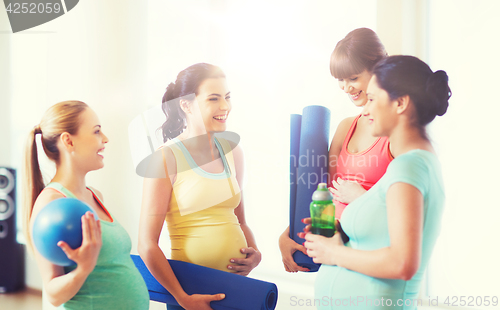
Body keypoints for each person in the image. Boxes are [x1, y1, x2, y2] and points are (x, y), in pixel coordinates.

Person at [303, 55, 450, 309]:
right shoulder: (411, 165)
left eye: (372, 99)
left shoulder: (409, 167)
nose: (366, 109)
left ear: (400, 103)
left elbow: (401, 263)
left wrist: (334, 253)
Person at [138, 63, 261, 310]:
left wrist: (254, 253)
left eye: (227, 97)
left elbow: (240, 221)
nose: (225, 107)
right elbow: (146, 243)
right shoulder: (165, 158)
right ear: (186, 104)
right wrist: (182, 298)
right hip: (190, 294)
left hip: (234, 288)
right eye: (213, 99)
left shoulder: (233, 151)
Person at [279, 28, 393, 273]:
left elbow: (405, 212)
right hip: (333, 260)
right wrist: (288, 233)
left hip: (370, 258)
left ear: (379, 68)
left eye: (353, 78)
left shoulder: (396, 133)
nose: (345, 88)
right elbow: (323, 195)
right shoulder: (345, 127)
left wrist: (362, 197)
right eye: (340, 80)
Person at [22, 101, 149, 309]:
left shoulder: (95, 196)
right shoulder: (51, 203)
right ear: (68, 141)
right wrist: (83, 269)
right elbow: (53, 294)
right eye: (96, 131)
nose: (105, 139)